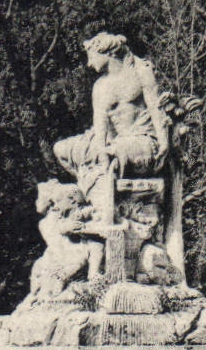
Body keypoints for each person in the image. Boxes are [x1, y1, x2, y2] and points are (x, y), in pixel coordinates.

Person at [53, 33, 171, 221]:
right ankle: (89, 190)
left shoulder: (141, 71)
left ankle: (110, 213)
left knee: (112, 154)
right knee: (60, 149)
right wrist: (100, 151)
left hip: (142, 140)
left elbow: (156, 108)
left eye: (92, 57)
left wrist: (164, 142)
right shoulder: (100, 86)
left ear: (106, 52)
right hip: (112, 141)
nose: (90, 64)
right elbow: (100, 128)